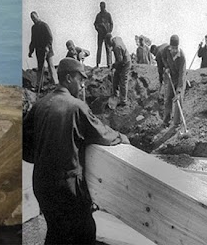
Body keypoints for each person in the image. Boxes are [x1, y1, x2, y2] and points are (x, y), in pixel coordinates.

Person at [23, 57, 129, 244]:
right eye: (81, 80)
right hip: (66, 187)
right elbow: (103, 134)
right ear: (69, 78)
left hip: (41, 184)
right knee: (85, 232)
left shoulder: (39, 105)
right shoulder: (76, 107)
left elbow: (25, 146)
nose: (82, 86)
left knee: (56, 231)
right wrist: (123, 138)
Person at [160, 35, 186, 127]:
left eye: (176, 48)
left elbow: (182, 74)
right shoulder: (166, 50)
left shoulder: (181, 56)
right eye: (173, 48)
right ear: (170, 46)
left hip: (179, 78)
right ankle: (166, 121)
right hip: (171, 76)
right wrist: (166, 66)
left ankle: (177, 123)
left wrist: (179, 90)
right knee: (168, 99)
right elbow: (162, 57)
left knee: (178, 99)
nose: (174, 50)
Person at [28, 11, 55, 90]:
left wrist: (47, 46)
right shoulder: (33, 28)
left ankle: (55, 84)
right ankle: (39, 86)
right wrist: (31, 51)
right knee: (40, 68)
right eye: (31, 18)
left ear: (37, 16)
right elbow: (33, 40)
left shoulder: (44, 25)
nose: (33, 19)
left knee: (50, 66)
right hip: (39, 51)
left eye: (34, 17)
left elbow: (50, 38)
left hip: (47, 50)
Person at [105, 33, 130, 107]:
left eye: (107, 43)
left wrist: (114, 65)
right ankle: (115, 95)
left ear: (109, 40)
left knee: (123, 81)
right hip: (122, 61)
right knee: (115, 77)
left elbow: (120, 60)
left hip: (126, 63)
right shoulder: (116, 39)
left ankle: (123, 101)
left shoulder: (117, 47)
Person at [94, 2, 114, 68]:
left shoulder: (108, 15)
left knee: (108, 48)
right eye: (100, 6)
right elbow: (95, 24)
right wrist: (98, 29)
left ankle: (109, 63)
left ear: (104, 7)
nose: (101, 8)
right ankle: (98, 63)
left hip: (107, 34)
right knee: (99, 48)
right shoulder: (98, 15)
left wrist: (109, 31)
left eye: (102, 6)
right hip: (100, 34)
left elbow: (111, 24)